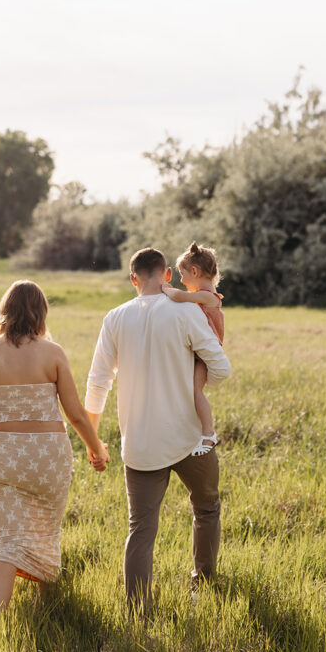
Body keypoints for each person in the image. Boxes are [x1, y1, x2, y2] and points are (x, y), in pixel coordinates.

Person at [84, 247, 231, 615]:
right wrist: (194, 382)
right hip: (190, 438)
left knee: (141, 529)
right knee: (207, 507)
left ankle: (138, 612)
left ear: (133, 279)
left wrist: (94, 439)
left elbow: (98, 381)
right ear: (167, 275)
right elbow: (222, 368)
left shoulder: (114, 318)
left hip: (140, 444)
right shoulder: (185, 312)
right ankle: (204, 582)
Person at [0, 280, 109, 609]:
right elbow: (76, 415)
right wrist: (97, 448)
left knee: (5, 545)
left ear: (5, 311)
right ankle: (48, 612)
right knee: (45, 534)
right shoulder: (53, 353)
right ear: (41, 312)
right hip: (48, 458)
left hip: (3, 459)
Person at [162, 241, 225, 456]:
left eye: (182, 274)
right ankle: (195, 430)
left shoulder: (208, 297)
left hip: (204, 358)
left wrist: (165, 289)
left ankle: (208, 434)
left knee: (196, 392)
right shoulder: (205, 296)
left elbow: (180, 297)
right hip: (198, 355)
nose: (181, 279)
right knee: (190, 391)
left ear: (195, 272)